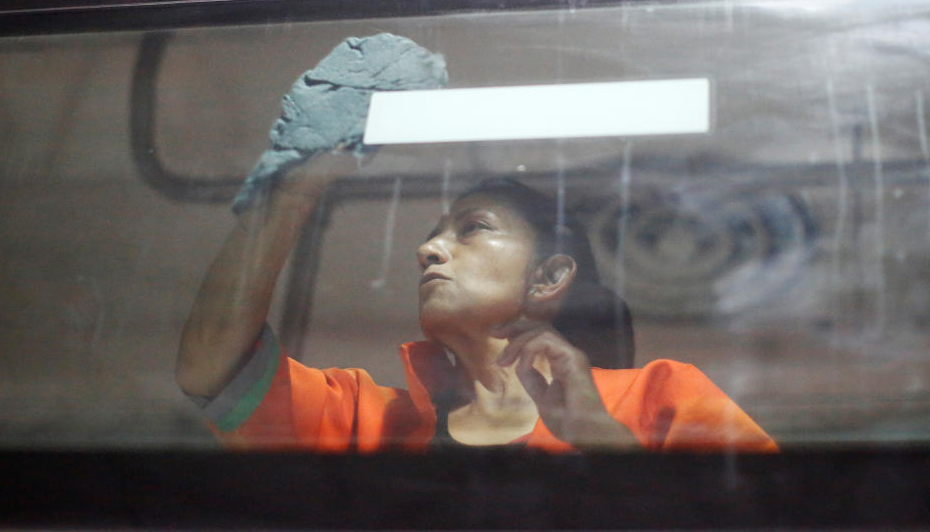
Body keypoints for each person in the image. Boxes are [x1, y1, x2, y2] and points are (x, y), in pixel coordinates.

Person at [176, 152, 778, 452]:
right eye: (435, 233)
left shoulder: (660, 397)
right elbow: (213, 369)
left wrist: (605, 442)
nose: (427, 249)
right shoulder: (371, 419)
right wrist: (296, 186)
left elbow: (775, 515)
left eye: (471, 228)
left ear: (548, 278)